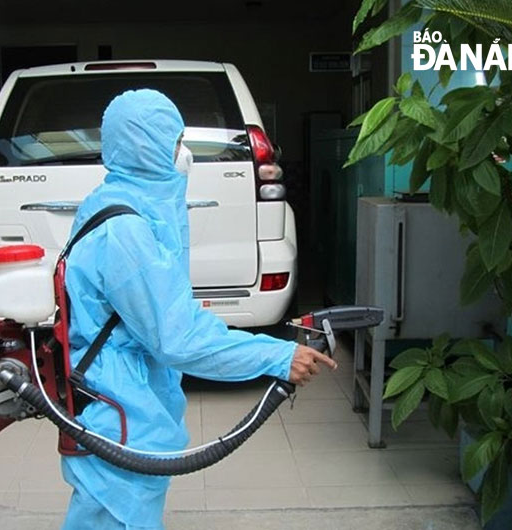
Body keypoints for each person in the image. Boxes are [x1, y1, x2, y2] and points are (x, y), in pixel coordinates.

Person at [61, 89, 336, 530]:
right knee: (115, 515)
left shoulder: (119, 201)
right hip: (119, 410)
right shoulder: (126, 230)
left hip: (125, 401)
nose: (182, 154)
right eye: (174, 143)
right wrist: (278, 356)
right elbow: (178, 338)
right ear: (147, 149)